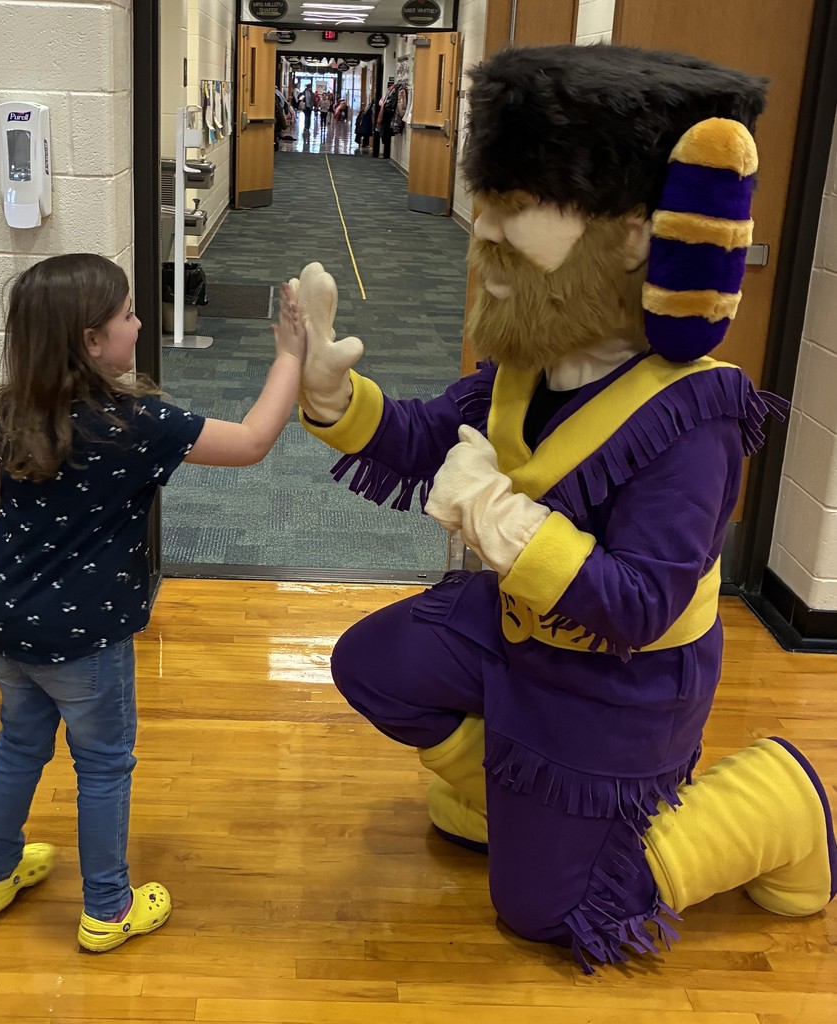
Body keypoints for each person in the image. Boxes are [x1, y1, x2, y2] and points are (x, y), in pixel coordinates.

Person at [291, 44, 835, 972]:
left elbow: (638, 606)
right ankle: (512, 793)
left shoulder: (692, 414)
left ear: (630, 234)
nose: (486, 235)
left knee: (549, 913)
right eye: (490, 204)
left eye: (517, 208)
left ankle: (784, 803)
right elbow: (433, 439)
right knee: (373, 662)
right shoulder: (533, 360)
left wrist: (500, 520)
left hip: (621, 687)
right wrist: (338, 403)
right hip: (521, 631)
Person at [0, 253, 306, 951]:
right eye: (126, 314)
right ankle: (108, 908)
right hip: (86, 641)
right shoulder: (135, 423)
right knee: (102, 764)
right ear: (92, 340)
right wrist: (291, 357)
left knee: (18, 745)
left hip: (6, 624)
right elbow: (250, 441)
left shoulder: (7, 409)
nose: (138, 322)